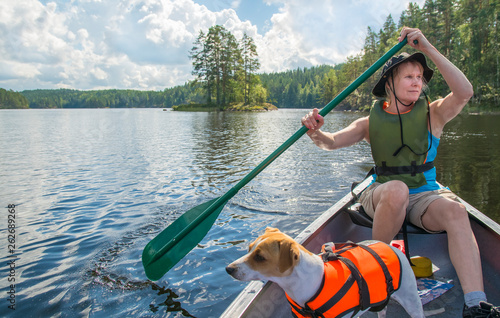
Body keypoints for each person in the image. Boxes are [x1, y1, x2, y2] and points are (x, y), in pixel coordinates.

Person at [301, 27, 499, 317]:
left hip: (425, 197)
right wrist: (315, 131)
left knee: (456, 212)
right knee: (397, 189)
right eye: (409, 76)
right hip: (382, 195)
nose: (417, 83)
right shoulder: (369, 122)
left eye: (420, 77)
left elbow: (465, 92)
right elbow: (330, 143)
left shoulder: (434, 113)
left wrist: (428, 48)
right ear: (389, 83)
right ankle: (373, 274)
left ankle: (475, 305)